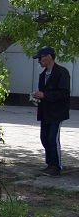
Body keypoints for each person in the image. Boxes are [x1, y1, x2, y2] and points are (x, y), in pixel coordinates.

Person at [32, 46, 71, 177]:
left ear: (48, 57)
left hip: (57, 112)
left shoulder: (61, 72)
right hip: (45, 112)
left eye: (40, 58)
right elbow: (43, 93)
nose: (39, 61)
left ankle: (56, 166)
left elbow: (64, 93)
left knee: (52, 138)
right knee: (44, 138)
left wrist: (45, 96)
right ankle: (49, 164)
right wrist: (36, 97)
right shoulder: (42, 75)